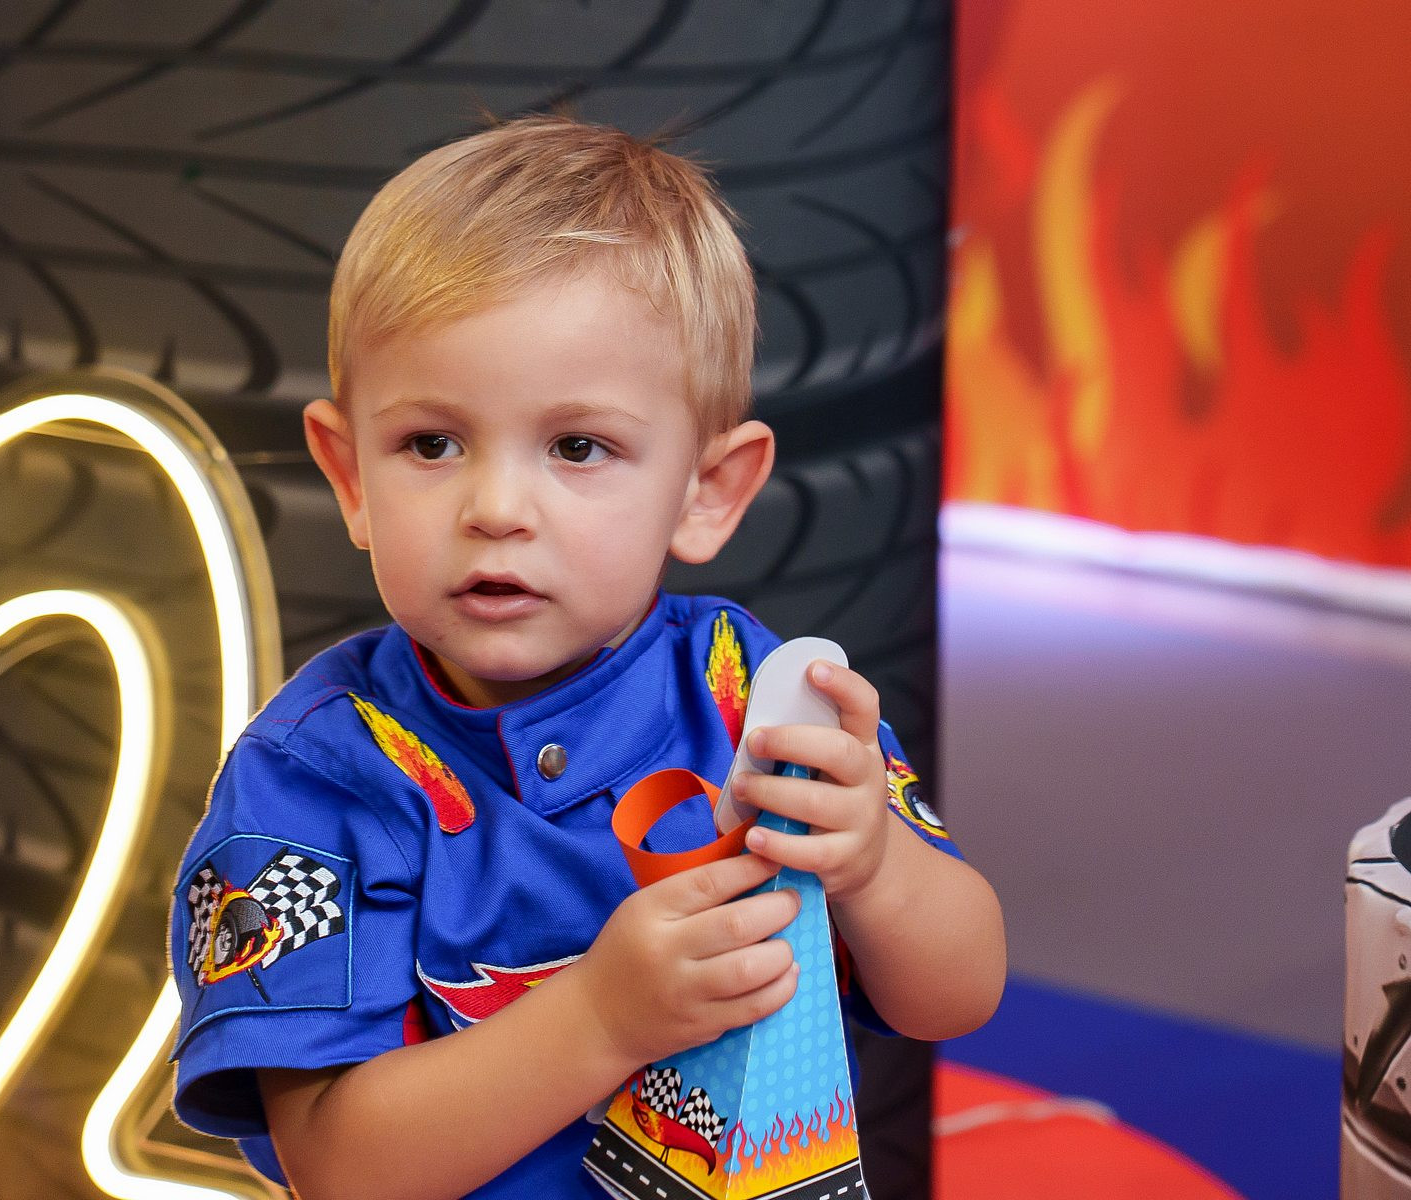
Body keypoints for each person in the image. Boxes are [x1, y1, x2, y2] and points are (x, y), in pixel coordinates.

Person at [168, 114, 1006, 1200]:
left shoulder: (755, 694)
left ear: (707, 492)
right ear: (350, 476)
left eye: (578, 447)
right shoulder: (310, 780)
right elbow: (339, 1170)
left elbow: (956, 996)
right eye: (432, 444)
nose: (496, 508)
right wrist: (604, 1017)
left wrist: (877, 866)